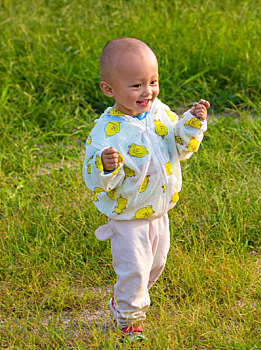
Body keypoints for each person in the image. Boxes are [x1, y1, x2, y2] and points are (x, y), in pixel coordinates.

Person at [82, 37, 209, 341]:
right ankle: (129, 320)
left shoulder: (159, 112)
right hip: (128, 217)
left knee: (156, 264)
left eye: (153, 81)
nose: (148, 91)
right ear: (109, 89)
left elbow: (178, 146)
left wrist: (191, 124)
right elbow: (93, 176)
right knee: (134, 270)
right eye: (136, 85)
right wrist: (107, 167)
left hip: (158, 210)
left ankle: (125, 300)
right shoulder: (107, 131)